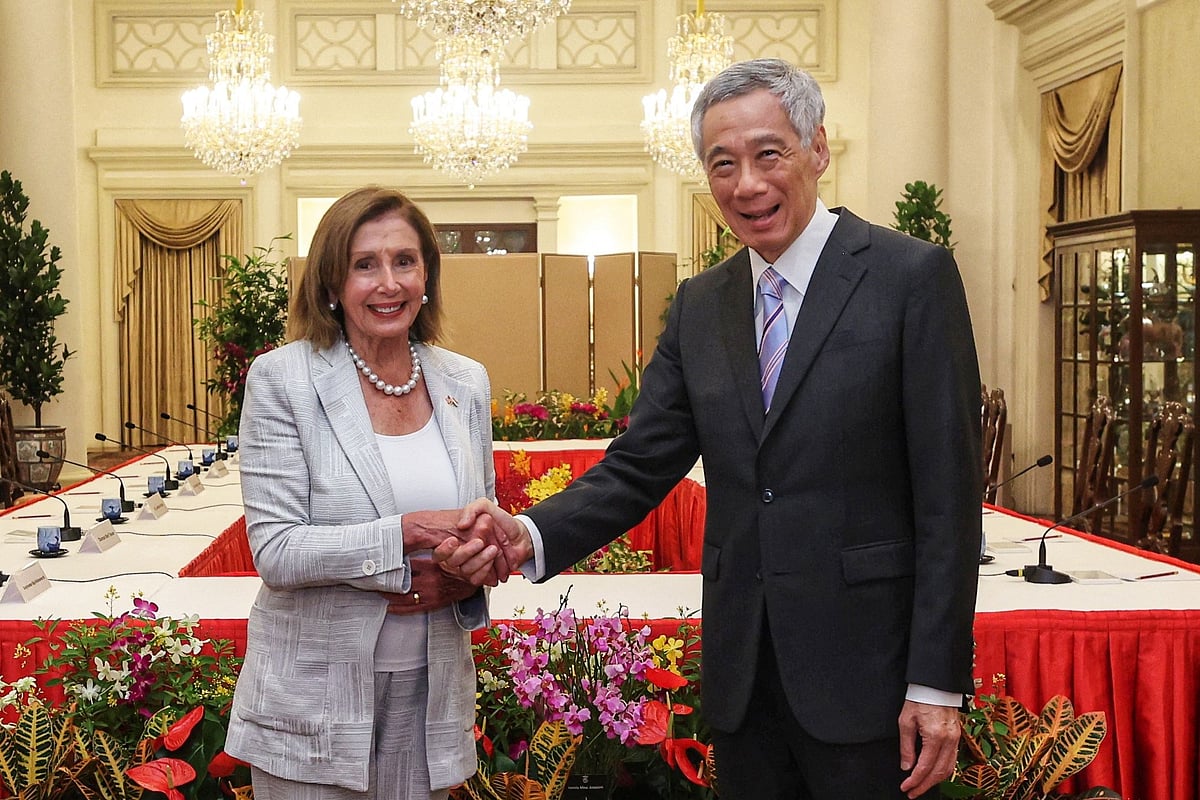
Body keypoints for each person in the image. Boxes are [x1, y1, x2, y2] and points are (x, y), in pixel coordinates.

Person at [438, 58, 982, 799]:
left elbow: (949, 500)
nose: (746, 184)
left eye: (769, 154)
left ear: (817, 149)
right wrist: (525, 535)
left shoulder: (909, 278)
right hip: (743, 679)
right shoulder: (702, 304)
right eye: (722, 164)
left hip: (871, 680)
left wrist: (938, 684)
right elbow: (639, 464)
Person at [224, 186, 511, 800]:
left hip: (431, 697)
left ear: (427, 274)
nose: (389, 283)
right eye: (365, 264)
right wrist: (407, 534)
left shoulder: (466, 381)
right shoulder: (284, 379)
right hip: (313, 705)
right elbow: (276, 550)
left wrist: (471, 570)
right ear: (331, 283)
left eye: (405, 261)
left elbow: (479, 523)